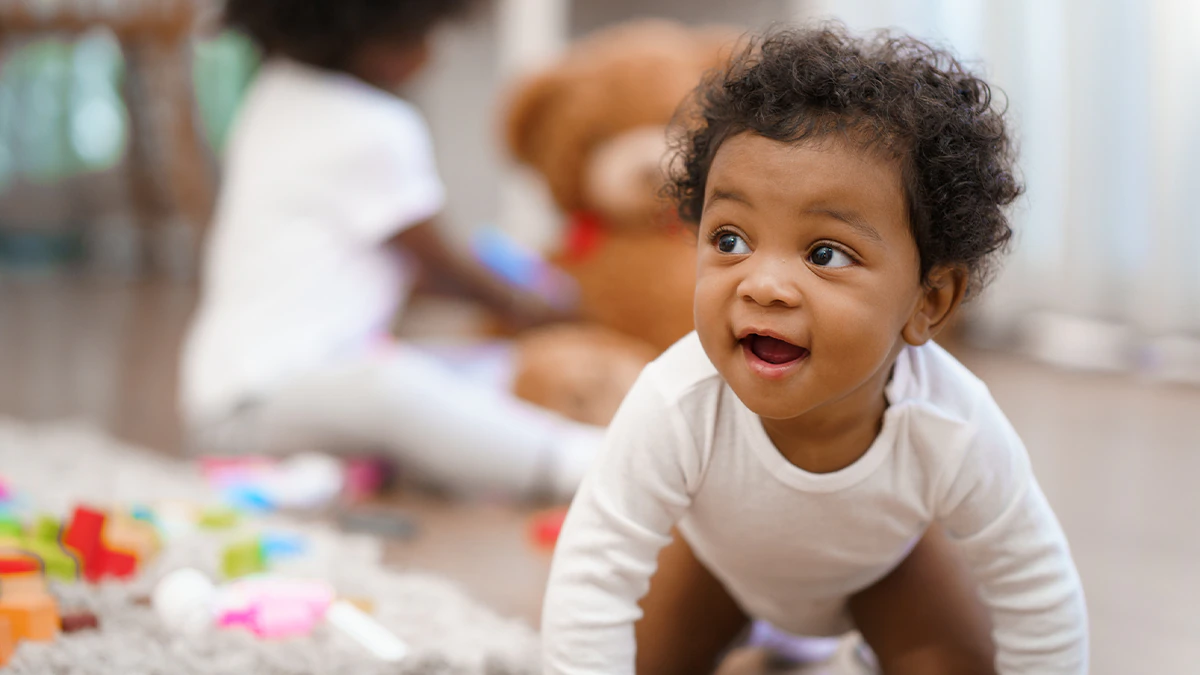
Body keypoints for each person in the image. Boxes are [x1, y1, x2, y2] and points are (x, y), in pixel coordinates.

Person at [542, 26, 1088, 674]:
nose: (763, 283)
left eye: (824, 253)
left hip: (887, 571)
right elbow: (593, 572)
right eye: (730, 239)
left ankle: (839, 655)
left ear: (929, 301)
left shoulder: (954, 423)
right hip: (715, 567)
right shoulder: (676, 400)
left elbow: (1037, 591)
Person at [179, 0, 601, 501]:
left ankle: (432, 454)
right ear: (372, 35)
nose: (432, 54)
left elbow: (400, 267)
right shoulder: (373, 126)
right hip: (262, 403)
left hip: (226, 396)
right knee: (396, 387)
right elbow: (439, 269)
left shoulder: (274, 92)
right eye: (421, 36)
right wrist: (532, 306)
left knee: (473, 370)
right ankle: (578, 462)